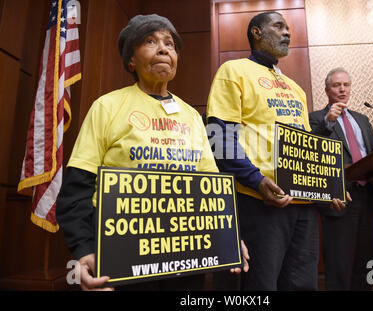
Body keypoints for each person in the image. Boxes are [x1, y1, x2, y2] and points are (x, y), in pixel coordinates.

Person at [56, 14, 248, 291]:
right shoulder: (106, 107)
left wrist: (231, 237)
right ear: (131, 60)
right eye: (150, 41)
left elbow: (213, 191)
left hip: (187, 253)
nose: (163, 49)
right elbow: (76, 189)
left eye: (169, 44)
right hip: (122, 254)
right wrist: (84, 250)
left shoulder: (193, 116)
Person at [206, 12, 346, 291]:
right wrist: (256, 180)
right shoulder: (233, 71)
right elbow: (219, 137)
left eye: (288, 28)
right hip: (259, 201)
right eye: (278, 26)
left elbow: (306, 146)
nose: (287, 33)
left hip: (303, 207)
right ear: (256, 32)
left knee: (302, 285)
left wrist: (330, 185)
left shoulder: (295, 87)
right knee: (261, 285)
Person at [309, 67, 373, 290]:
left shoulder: (362, 118)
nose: (342, 89)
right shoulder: (316, 119)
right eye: (336, 85)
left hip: (368, 196)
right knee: (339, 262)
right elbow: (312, 152)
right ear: (326, 89)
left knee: (369, 259)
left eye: (346, 85)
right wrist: (328, 122)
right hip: (340, 197)